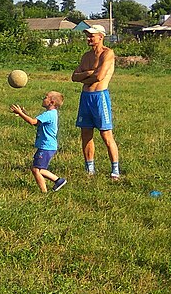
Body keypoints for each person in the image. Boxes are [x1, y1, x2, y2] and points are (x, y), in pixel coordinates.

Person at [71, 25, 120, 179]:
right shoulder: (86, 56)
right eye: (87, 35)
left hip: (100, 97)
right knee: (86, 134)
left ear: (101, 36)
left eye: (92, 35)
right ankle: (90, 169)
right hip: (85, 97)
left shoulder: (108, 53)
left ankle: (115, 170)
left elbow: (100, 77)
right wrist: (89, 73)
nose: (88, 38)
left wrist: (85, 77)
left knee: (106, 135)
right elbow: (74, 77)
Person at [11, 92, 67, 193]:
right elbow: (37, 123)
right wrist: (24, 113)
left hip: (46, 146)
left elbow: (32, 122)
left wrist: (20, 113)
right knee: (39, 169)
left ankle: (45, 191)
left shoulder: (48, 114)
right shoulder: (52, 113)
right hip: (48, 146)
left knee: (36, 169)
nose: (43, 99)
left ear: (51, 102)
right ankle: (58, 181)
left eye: (45, 97)